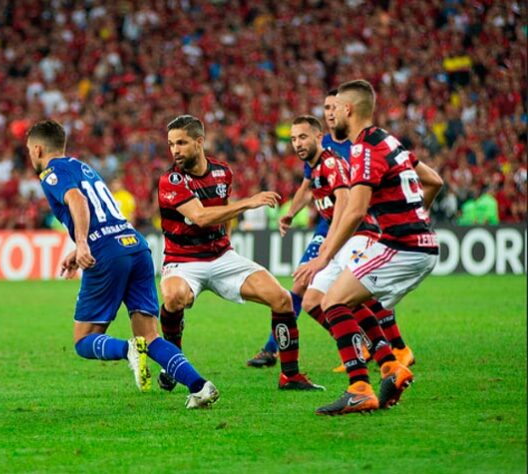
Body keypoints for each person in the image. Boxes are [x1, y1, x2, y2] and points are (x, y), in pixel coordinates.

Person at [26, 120, 218, 409]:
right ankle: (200, 386)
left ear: (38, 149)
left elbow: (77, 200)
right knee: (150, 335)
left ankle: (128, 348)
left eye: (29, 150)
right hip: (134, 245)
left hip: (106, 253)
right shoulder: (82, 167)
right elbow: (100, 210)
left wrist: (81, 243)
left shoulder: (51, 173)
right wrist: (78, 245)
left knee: (84, 340)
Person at [294, 80, 443, 415]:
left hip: (400, 245)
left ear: (348, 110)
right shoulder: (390, 141)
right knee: (349, 301)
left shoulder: (363, 148)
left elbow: (355, 210)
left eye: (335, 110)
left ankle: (359, 388)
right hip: (415, 243)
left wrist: (323, 258)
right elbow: (435, 180)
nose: (331, 117)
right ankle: (391, 368)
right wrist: (417, 217)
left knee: (332, 301)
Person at [247, 91, 414, 371]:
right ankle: (373, 350)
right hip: (334, 226)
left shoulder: (349, 149)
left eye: (333, 107)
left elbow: (347, 204)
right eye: (325, 107)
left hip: (356, 229)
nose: (330, 112)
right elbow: (309, 186)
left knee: (349, 294)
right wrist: (290, 213)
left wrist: (327, 250)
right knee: (313, 296)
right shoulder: (316, 158)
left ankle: (390, 352)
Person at [157, 115, 323, 392]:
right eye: (172, 144)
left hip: (222, 257)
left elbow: (224, 210)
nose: (175, 150)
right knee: (174, 297)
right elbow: (200, 217)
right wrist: (249, 202)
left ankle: (290, 376)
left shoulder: (222, 171)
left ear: (199, 142)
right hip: (183, 261)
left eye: (182, 143)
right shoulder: (171, 180)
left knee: (281, 299)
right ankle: (173, 364)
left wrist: (227, 242)